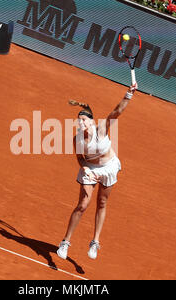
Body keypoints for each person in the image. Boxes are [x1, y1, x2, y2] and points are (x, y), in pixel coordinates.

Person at [56, 83, 137, 260]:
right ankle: (65, 242)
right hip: (90, 168)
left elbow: (117, 111)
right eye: (79, 120)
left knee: (102, 203)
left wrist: (129, 94)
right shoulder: (77, 139)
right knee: (83, 205)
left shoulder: (101, 129)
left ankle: (95, 242)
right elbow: (79, 158)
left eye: (84, 119)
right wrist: (86, 168)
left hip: (108, 167)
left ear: (91, 121)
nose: (80, 122)